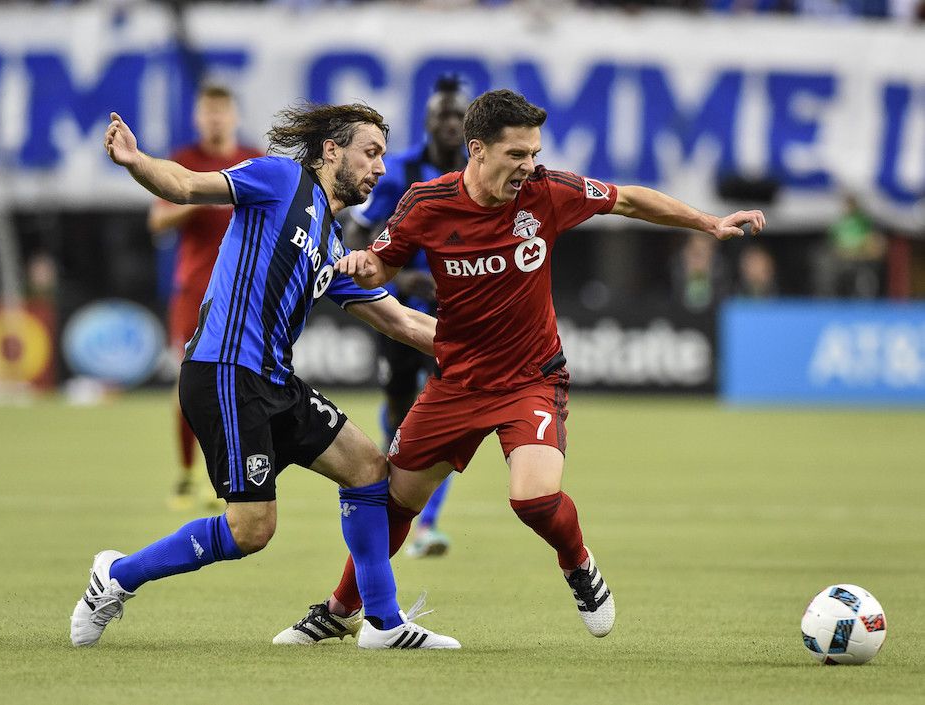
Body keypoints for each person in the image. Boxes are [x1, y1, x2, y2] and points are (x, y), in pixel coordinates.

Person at [279, 88, 766, 643]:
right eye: (517, 155)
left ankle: (578, 564)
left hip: (531, 379)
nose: (529, 166)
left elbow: (628, 200)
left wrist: (707, 223)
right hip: (457, 382)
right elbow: (381, 267)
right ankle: (340, 610)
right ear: (478, 150)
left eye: (534, 153)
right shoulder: (426, 203)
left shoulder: (547, 192)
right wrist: (360, 264)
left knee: (533, 498)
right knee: (394, 503)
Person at [70, 103, 460, 650]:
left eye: (383, 157)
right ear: (331, 151)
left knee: (370, 469)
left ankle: (382, 622)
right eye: (370, 153)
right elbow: (184, 185)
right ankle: (116, 577)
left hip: (273, 380)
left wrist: (481, 348)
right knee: (251, 530)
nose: (378, 168)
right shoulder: (278, 177)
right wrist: (136, 161)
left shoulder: (331, 243)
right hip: (225, 372)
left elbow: (398, 318)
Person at [344, 76, 469, 559]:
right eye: (443, 114)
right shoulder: (397, 175)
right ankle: (394, 500)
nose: (451, 124)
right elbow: (355, 238)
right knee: (400, 409)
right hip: (397, 313)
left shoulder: (479, 175)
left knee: (448, 415)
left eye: (459, 115)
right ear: (427, 122)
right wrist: (399, 280)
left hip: (453, 317)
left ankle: (426, 526)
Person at [148, 84, 264, 510]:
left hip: (244, 292)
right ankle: (185, 475)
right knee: (190, 384)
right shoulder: (185, 164)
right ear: (198, 118)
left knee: (238, 387)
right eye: (208, 112)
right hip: (194, 291)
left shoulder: (254, 161)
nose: (215, 119)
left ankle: (231, 477)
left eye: (222, 111)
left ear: (234, 116)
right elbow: (158, 222)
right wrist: (196, 197)